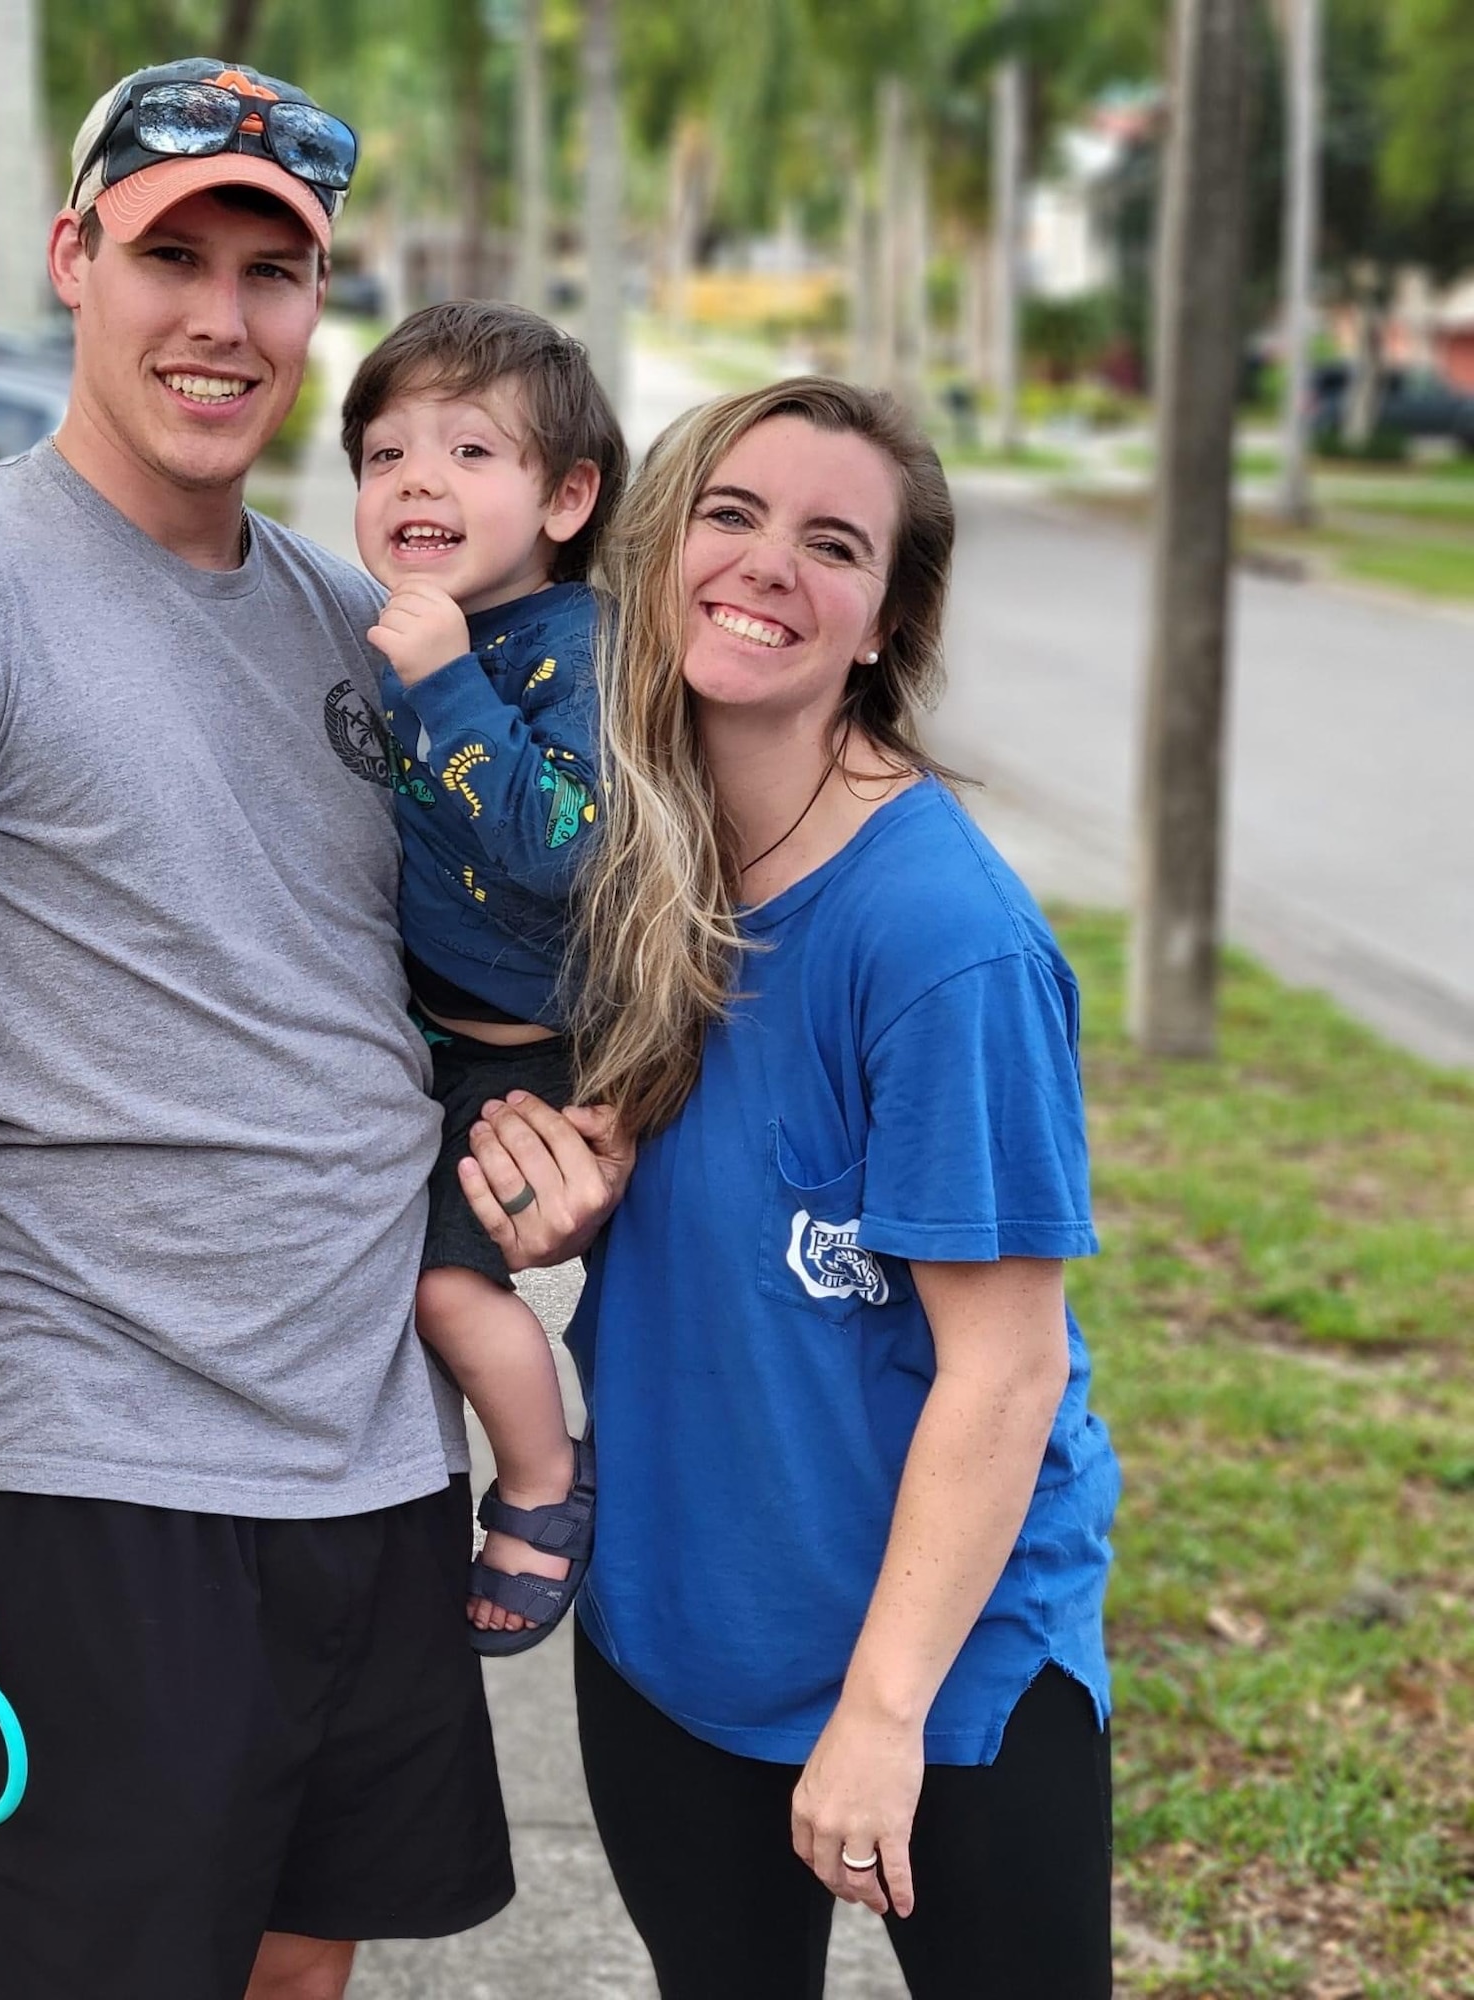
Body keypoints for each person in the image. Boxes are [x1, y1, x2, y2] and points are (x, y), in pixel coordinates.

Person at [0, 55, 619, 2000]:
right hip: (93, 1482)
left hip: (373, 1469)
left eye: (271, 270)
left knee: (298, 1974)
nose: (222, 318)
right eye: (172, 254)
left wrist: (574, 1144)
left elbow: (457, 984)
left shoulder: (363, 623)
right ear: (75, 257)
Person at [502, 376, 1122, 1998]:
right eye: (733, 513)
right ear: (661, 550)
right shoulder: (643, 850)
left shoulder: (944, 945)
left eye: (832, 543)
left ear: (879, 626)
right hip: (677, 1626)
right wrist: (567, 1199)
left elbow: (1007, 1368)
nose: (770, 563)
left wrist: (883, 1712)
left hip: (945, 1663)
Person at [340, 302, 627, 1650]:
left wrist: (451, 690)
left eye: (468, 451)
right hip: (429, 1040)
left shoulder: (583, 649)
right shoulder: (399, 628)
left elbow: (564, 852)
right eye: (385, 455)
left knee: (451, 1288)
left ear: (566, 497)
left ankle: (543, 1480)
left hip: (546, 1054)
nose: (418, 482)